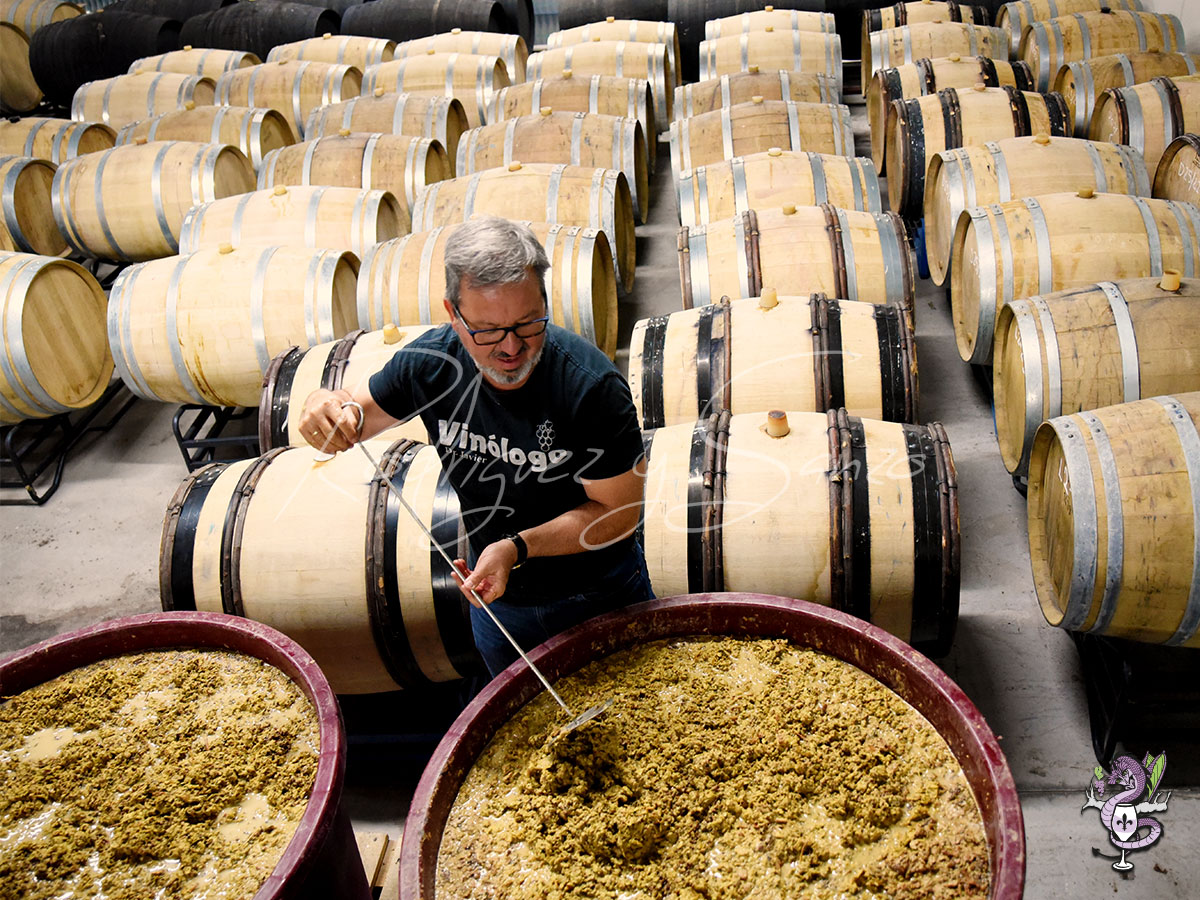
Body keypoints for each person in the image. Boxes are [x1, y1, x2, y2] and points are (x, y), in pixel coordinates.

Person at [300, 216, 654, 677]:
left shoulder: (591, 386)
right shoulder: (431, 364)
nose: (511, 347)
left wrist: (515, 548)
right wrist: (322, 403)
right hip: (500, 604)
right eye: (486, 329)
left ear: (544, 300)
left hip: (598, 594)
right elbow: (354, 413)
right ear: (453, 313)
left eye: (528, 323)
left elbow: (618, 514)